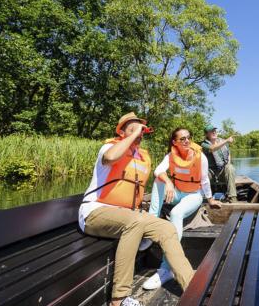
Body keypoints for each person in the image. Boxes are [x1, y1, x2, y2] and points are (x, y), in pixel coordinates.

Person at [79, 113, 195, 306]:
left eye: (141, 130)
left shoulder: (141, 157)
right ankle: (119, 298)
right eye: (132, 129)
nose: (138, 133)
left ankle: (192, 284)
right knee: (136, 221)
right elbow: (111, 158)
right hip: (94, 212)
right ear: (122, 132)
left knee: (166, 228)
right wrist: (133, 135)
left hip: (126, 216)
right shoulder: (109, 147)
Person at [141, 127, 222, 290]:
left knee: (176, 213)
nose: (187, 141)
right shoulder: (171, 155)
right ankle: (151, 225)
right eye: (182, 139)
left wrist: (211, 200)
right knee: (159, 181)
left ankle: (166, 268)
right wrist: (169, 183)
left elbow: (205, 180)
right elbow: (158, 171)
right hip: (177, 193)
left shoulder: (201, 157)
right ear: (174, 142)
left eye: (189, 138)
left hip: (194, 195)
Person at [200, 125, 238, 203]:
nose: (214, 132)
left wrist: (228, 164)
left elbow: (228, 154)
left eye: (215, 131)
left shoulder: (222, 141)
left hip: (222, 171)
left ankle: (233, 198)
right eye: (211, 131)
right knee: (203, 172)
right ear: (207, 134)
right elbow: (213, 148)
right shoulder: (204, 144)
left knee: (230, 167)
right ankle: (204, 198)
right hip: (210, 172)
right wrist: (227, 140)